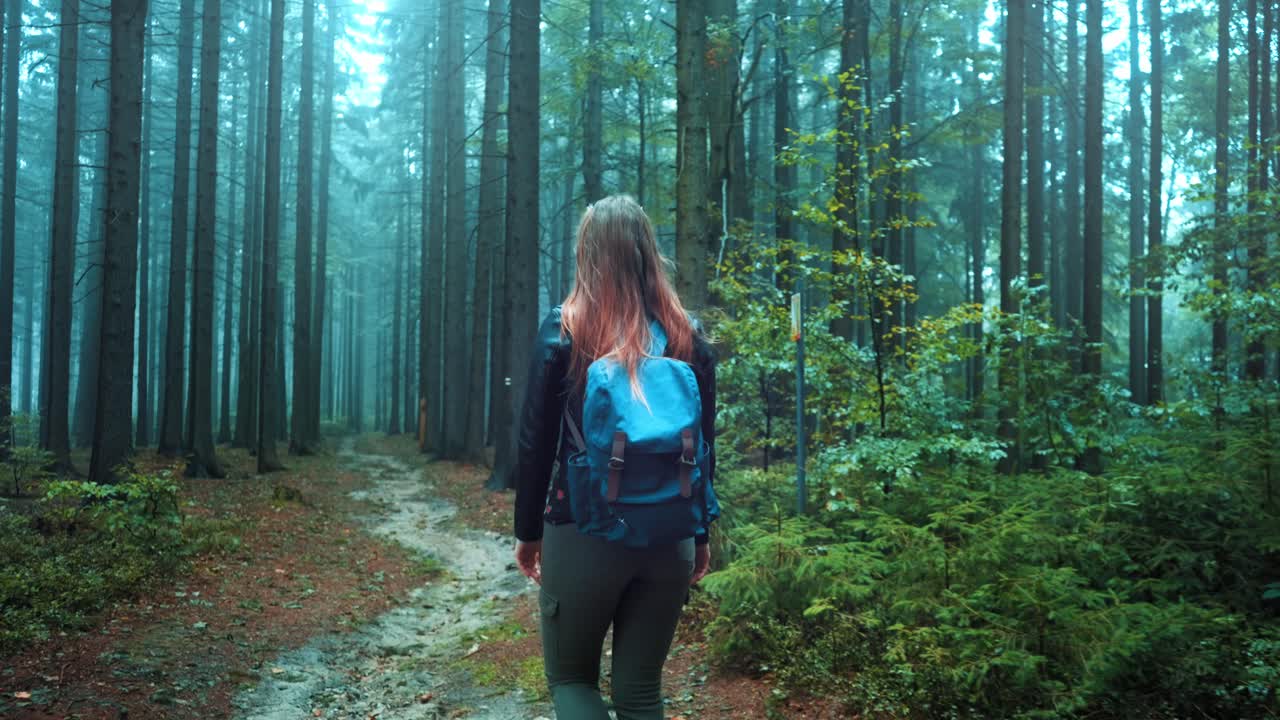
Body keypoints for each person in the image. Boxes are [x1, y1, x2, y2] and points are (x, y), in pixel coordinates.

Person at [512, 194, 718, 720]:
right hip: (669, 532)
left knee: (573, 679)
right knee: (642, 691)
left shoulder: (566, 330)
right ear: (648, 252)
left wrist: (528, 531)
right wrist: (699, 534)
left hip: (584, 529)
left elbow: (535, 444)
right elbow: (703, 447)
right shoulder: (686, 335)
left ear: (587, 253)